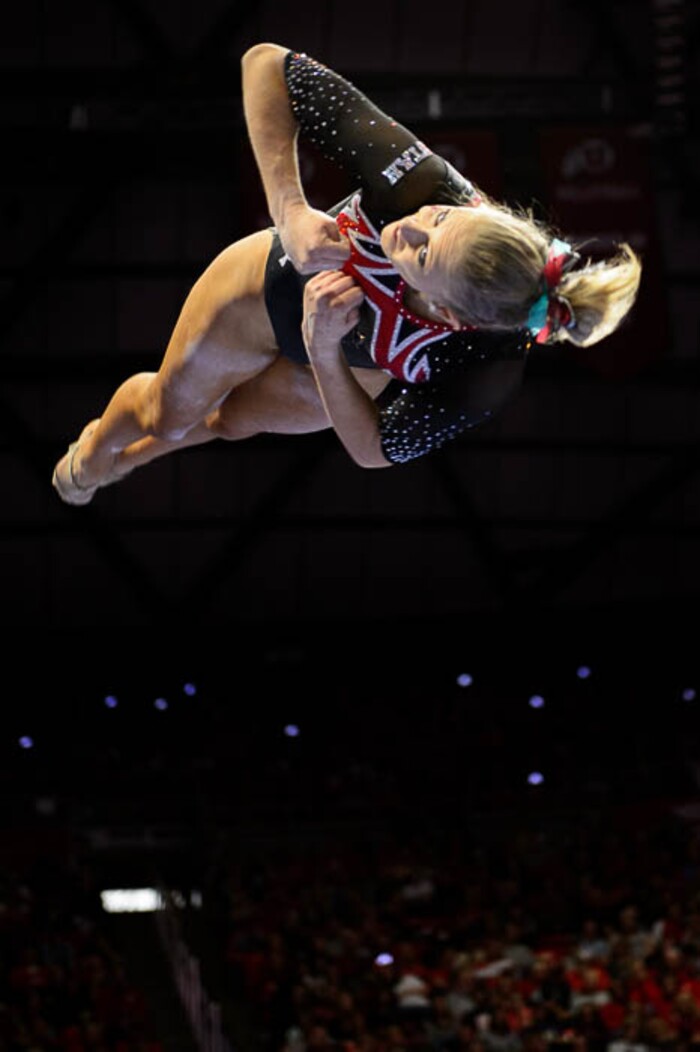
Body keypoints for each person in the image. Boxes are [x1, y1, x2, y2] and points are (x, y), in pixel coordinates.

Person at [52, 42, 642, 504]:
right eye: (439, 218)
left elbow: (372, 449)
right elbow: (267, 63)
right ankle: (101, 451)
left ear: (449, 313)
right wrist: (289, 211)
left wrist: (323, 349)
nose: (409, 229)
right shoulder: (420, 180)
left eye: (422, 257)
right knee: (168, 415)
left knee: (229, 422)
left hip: (348, 362)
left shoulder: (488, 371)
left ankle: (143, 453)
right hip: (266, 289)